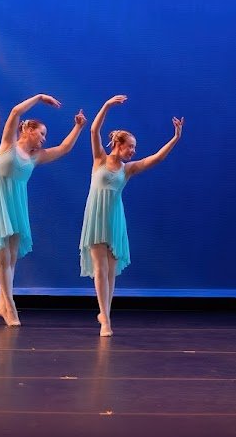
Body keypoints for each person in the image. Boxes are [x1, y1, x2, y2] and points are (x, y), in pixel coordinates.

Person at [79, 95, 184, 337]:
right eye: (131, 146)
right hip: (96, 216)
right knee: (100, 267)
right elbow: (94, 130)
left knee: (111, 269)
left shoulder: (127, 170)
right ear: (118, 144)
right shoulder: (99, 160)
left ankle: (106, 312)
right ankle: (104, 318)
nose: (133, 151)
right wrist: (106, 105)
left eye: (134, 148)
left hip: (115, 218)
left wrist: (175, 138)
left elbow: (156, 158)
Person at [0, 94, 85, 326]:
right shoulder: (8, 145)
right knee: (3, 256)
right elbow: (16, 111)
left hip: (17, 206)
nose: (45, 139)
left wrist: (77, 127)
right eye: (42, 133)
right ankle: (10, 306)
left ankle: (1, 302)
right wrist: (39, 97)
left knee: (12, 258)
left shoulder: (35, 157)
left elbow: (64, 148)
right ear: (28, 131)